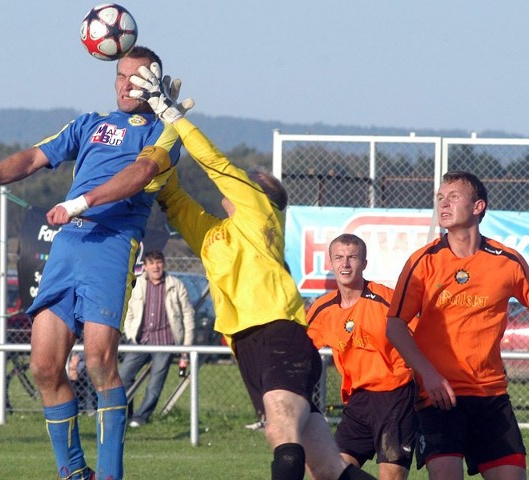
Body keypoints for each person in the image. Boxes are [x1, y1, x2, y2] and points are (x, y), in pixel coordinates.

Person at [128, 62, 376, 480]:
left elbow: (215, 164)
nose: (242, 179)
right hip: (248, 345)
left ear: (262, 197)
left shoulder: (261, 212)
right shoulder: (214, 235)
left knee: (280, 430)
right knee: (329, 469)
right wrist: (159, 128)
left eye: (251, 180)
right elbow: (167, 191)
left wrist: (175, 117)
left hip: (278, 332)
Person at [0, 46, 182, 480]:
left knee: (98, 362)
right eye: (120, 75)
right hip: (68, 243)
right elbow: (33, 158)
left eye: (137, 76)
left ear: (155, 83)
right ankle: (74, 473)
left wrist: (79, 203)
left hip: (112, 242)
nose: (126, 83)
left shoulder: (165, 131)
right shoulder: (88, 123)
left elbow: (142, 173)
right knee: (44, 366)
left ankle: (110, 475)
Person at [385, 170, 529, 480]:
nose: (443, 204)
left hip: (490, 394)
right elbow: (394, 325)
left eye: (453, 197)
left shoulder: (507, 261)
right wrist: (429, 375)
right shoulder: (423, 262)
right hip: (439, 396)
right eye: (440, 198)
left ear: (478, 207)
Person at [306, 234, 416, 480]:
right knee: (326, 472)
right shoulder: (323, 309)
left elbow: (424, 337)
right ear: (331, 263)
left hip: (395, 396)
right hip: (357, 400)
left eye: (352, 257)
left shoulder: (388, 300)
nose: (345, 264)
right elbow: (302, 352)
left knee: (392, 476)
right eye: (339, 258)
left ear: (364, 263)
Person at [119, 249, 195, 427]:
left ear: (163, 264)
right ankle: (124, 414)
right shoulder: (137, 285)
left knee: (154, 385)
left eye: (158, 262)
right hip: (140, 342)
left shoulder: (176, 285)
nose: (155, 266)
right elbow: (128, 312)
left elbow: (188, 315)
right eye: (151, 263)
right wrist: (130, 334)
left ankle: (140, 418)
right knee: (123, 378)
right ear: (145, 266)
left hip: (165, 343)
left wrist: (186, 346)